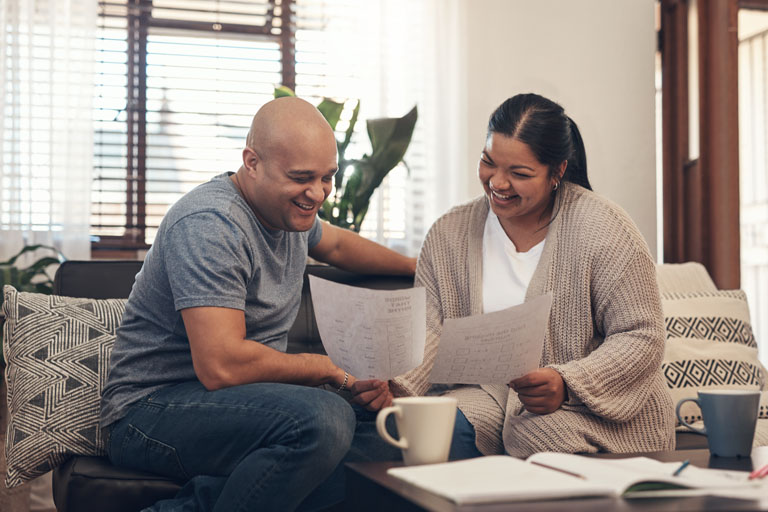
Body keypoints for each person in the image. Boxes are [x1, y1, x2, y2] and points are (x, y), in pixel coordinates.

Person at [99, 97, 415, 512]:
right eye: (302, 177)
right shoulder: (210, 224)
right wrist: (327, 371)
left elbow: (336, 243)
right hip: (150, 412)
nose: (318, 192)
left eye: (327, 177)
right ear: (252, 162)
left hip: (248, 403)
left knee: (387, 433)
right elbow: (221, 365)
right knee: (322, 421)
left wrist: (418, 267)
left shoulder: (288, 211)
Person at [389, 93, 675, 458]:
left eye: (520, 174)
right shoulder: (449, 233)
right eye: (488, 163)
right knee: (442, 428)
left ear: (557, 172)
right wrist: (396, 385)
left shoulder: (605, 228)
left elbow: (642, 335)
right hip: (489, 396)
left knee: (538, 434)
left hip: (595, 408)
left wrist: (567, 383)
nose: (498, 182)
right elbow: (429, 329)